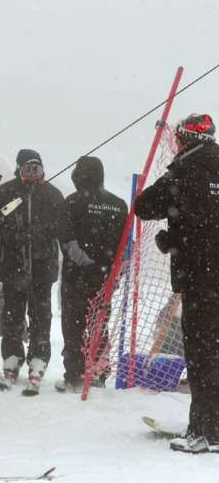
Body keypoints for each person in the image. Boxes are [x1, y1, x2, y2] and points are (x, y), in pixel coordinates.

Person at [134, 113, 219, 453]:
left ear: (184, 140)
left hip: (201, 279)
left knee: (203, 355)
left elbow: (143, 206)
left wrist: (176, 236)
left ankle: (206, 432)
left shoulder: (182, 173)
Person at [0, 149, 64, 392]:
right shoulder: (6, 192)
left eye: (37, 168)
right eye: (28, 168)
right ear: (19, 169)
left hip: (42, 270)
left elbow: (62, 228)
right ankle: (12, 358)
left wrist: (42, 232)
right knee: (12, 315)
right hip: (13, 268)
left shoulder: (53, 194)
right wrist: (15, 235)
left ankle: (39, 358)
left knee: (41, 316)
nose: (33, 173)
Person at [55, 155, 127, 393]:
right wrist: (111, 270)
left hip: (77, 276)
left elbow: (66, 238)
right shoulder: (118, 204)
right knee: (100, 324)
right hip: (106, 277)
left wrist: (87, 263)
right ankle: (98, 372)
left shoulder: (73, 201)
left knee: (73, 326)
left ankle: (74, 375)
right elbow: (125, 244)